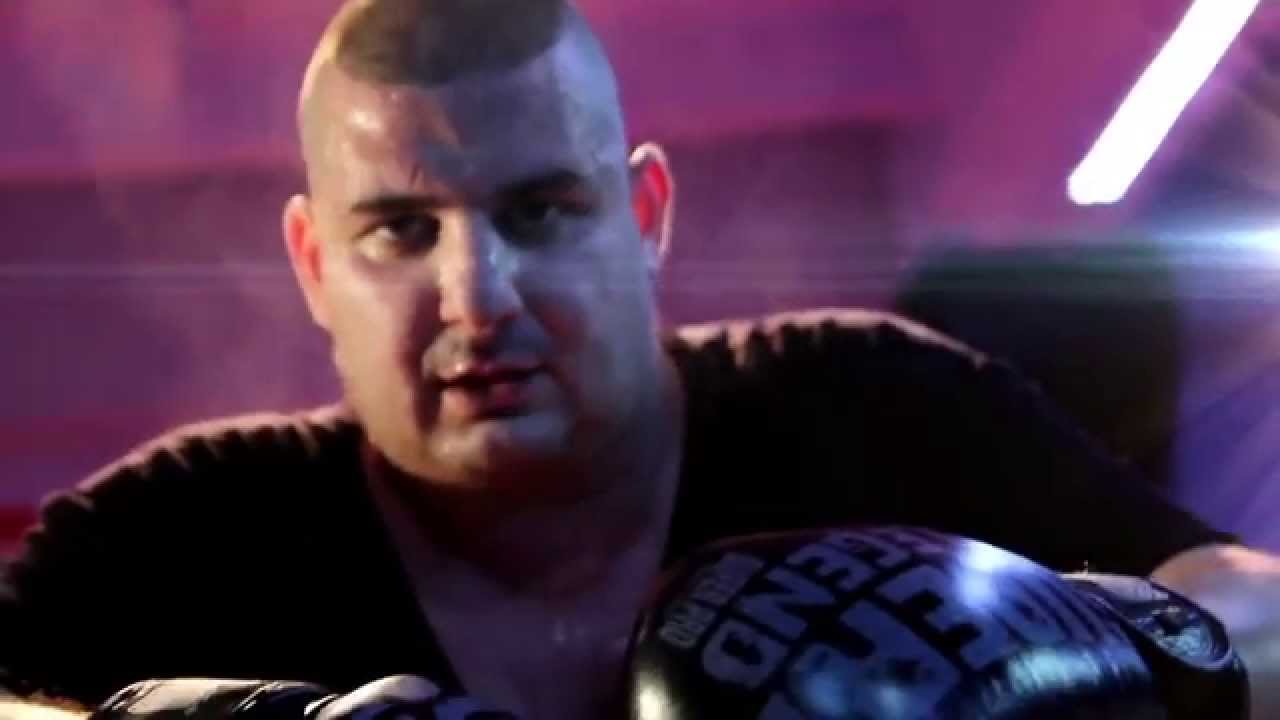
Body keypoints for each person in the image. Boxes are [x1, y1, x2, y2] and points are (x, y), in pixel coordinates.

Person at [3, 0, 1280, 718]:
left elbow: (1252, 604)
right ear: (313, 263)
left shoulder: (867, 401)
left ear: (645, 214)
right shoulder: (181, 524)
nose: (478, 297)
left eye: (540, 211)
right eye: (399, 230)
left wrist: (1095, 646)